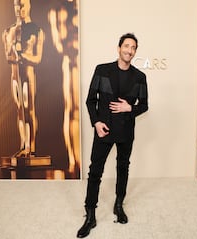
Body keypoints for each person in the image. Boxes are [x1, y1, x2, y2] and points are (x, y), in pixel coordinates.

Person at [77, 33, 148, 238]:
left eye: (133, 47)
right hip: (104, 129)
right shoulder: (102, 70)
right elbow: (91, 101)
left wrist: (129, 108)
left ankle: (119, 205)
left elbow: (144, 105)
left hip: (126, 132)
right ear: (119, 48)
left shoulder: (140, 77)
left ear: (135, 51)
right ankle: (90, 215)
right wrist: (96, 123)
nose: (129, 50)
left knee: (122, 167)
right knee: (95, 172)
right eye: (126, 46)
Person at [2, 0, 44, 157]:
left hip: (28, 75)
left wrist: (21, 55)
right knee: (19, 111)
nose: (20, 9)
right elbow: (7, 56)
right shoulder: (8, 31)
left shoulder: (37, 31)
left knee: (29, 110)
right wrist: (15, 54)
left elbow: (37, 58)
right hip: (14, 76)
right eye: (17, 6)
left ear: (29, 6)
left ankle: (30, 147)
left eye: (23, 5)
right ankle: (23, 145)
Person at [48, 0, 80, 175]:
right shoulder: (58, 10)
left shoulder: (75, 9)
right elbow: (59, 44)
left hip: (81, 61)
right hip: (70, 62)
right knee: (71, 110)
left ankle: (79, 160)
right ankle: (73, 160)